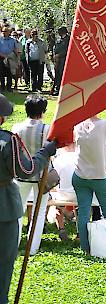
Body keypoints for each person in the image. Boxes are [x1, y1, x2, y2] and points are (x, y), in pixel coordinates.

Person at [0, 94, 57, 304]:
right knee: (4, 261)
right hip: (13, 190)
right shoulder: (8, 139)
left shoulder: (15, 130)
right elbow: (25, 168)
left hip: (15, 185)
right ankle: (32, 246)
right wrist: (45, 153)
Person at [73, 114, 106, 256]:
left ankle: (86, 248)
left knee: (83, 212)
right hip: (101, 175)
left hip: (80, 174)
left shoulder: (77, 125)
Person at [12, 95, 50, 256]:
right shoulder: (46, 129)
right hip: (41, 175)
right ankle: (33, 247)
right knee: (39, 212)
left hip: (21, 173)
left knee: (18, 211)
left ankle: (15, 242)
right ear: (42, 111)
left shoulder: (16, 128)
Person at [0, 26, 20, 92]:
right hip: (1, 58)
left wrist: (18, 59)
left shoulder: (13, 40)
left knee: (9, 73)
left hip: (10, 58)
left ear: (9, 32)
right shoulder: (0, 39)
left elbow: (16, 49)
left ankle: (9, 87)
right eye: (3, 31)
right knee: (1, 73)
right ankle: (2, 87)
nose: (4, 32)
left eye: (6, 31)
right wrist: (3, 55)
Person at [52, 26, 70, 96]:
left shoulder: (68, 40)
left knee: (63, 75)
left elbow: (67, 50)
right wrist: (55, 56)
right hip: (57, 61)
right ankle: (57, 89)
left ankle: (63, 90)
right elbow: (55, 48)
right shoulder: (59, 40)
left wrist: (59, 55)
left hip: (64, 60)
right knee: (58, 75)